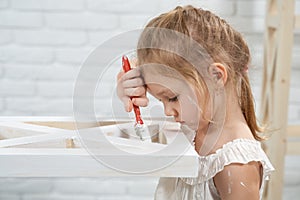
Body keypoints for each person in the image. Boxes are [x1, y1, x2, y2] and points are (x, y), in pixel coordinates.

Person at [117, 5, 274, 200]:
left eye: (172, 98)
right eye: (160, 99)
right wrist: (127, 85)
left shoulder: (235, 165)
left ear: (216, 76)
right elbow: (137, 66)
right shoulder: (198, 123)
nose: (167, 111)